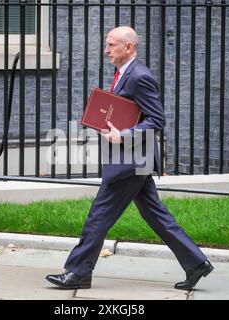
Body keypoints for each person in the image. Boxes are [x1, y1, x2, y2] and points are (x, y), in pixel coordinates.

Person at [46, 26, 213, 291]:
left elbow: (157, 120)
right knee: (156, 215)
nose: (106, 50)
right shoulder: (125, 72)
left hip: (131, 161)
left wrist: (122, 135)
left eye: (111, 45)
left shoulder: (139, 76)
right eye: (107, 44)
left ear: (129, 47)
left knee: (98, 216)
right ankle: (196, 263)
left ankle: (78, 272)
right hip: (135, 159)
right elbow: (131, 111)